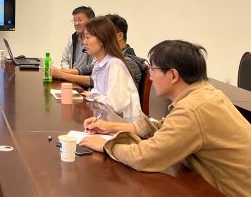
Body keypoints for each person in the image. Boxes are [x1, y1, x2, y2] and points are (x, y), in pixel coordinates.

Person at [81, 40, 251, 197]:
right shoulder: (204, 93)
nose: (150, 77)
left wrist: (105, 146)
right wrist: (110, 127)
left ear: (173, 75)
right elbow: (166, 128)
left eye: (153, 70)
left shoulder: (191, 109)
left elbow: (146, 157)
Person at [82, 16, 141, 121]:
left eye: (87, 37)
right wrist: (93, 95)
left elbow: (115, 105)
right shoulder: (100, 64)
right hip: (107, 119)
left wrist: (94, 96)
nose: (84, 42)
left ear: (102, 39)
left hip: (122, 125)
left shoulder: (114, 65)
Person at [52, 6, 96, 88]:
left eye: (80, 20)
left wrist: (63, 74)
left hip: (85, 82)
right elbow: (64, 60)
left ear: (91, 21)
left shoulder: (96, 41)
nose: (76, 23)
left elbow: (91, 69)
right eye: (74, 20)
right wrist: (66, 74)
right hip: (71, 80)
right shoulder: (73, 38)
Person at [106, 13, 145, 89]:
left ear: (119, 36)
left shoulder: (127, 62)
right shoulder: (111, 57)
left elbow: (119, 94)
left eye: (104, 34)